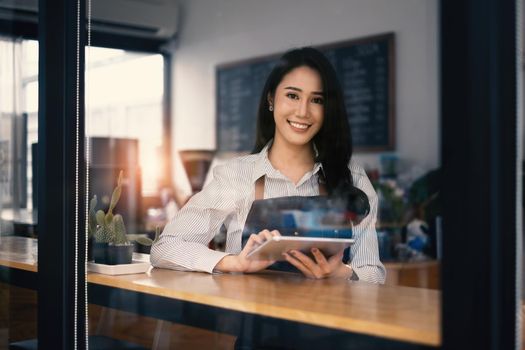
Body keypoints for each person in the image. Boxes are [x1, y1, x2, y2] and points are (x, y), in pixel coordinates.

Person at [151, 47, 385, 283]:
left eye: (317, 100)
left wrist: (340, 272)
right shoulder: (236, 175)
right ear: (271, 99)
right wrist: (234, 262)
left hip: (327, 317)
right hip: (249, 318)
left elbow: (373, 273)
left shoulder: (352, 176)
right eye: (292, 96)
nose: (303, 112)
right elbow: (165, 247)